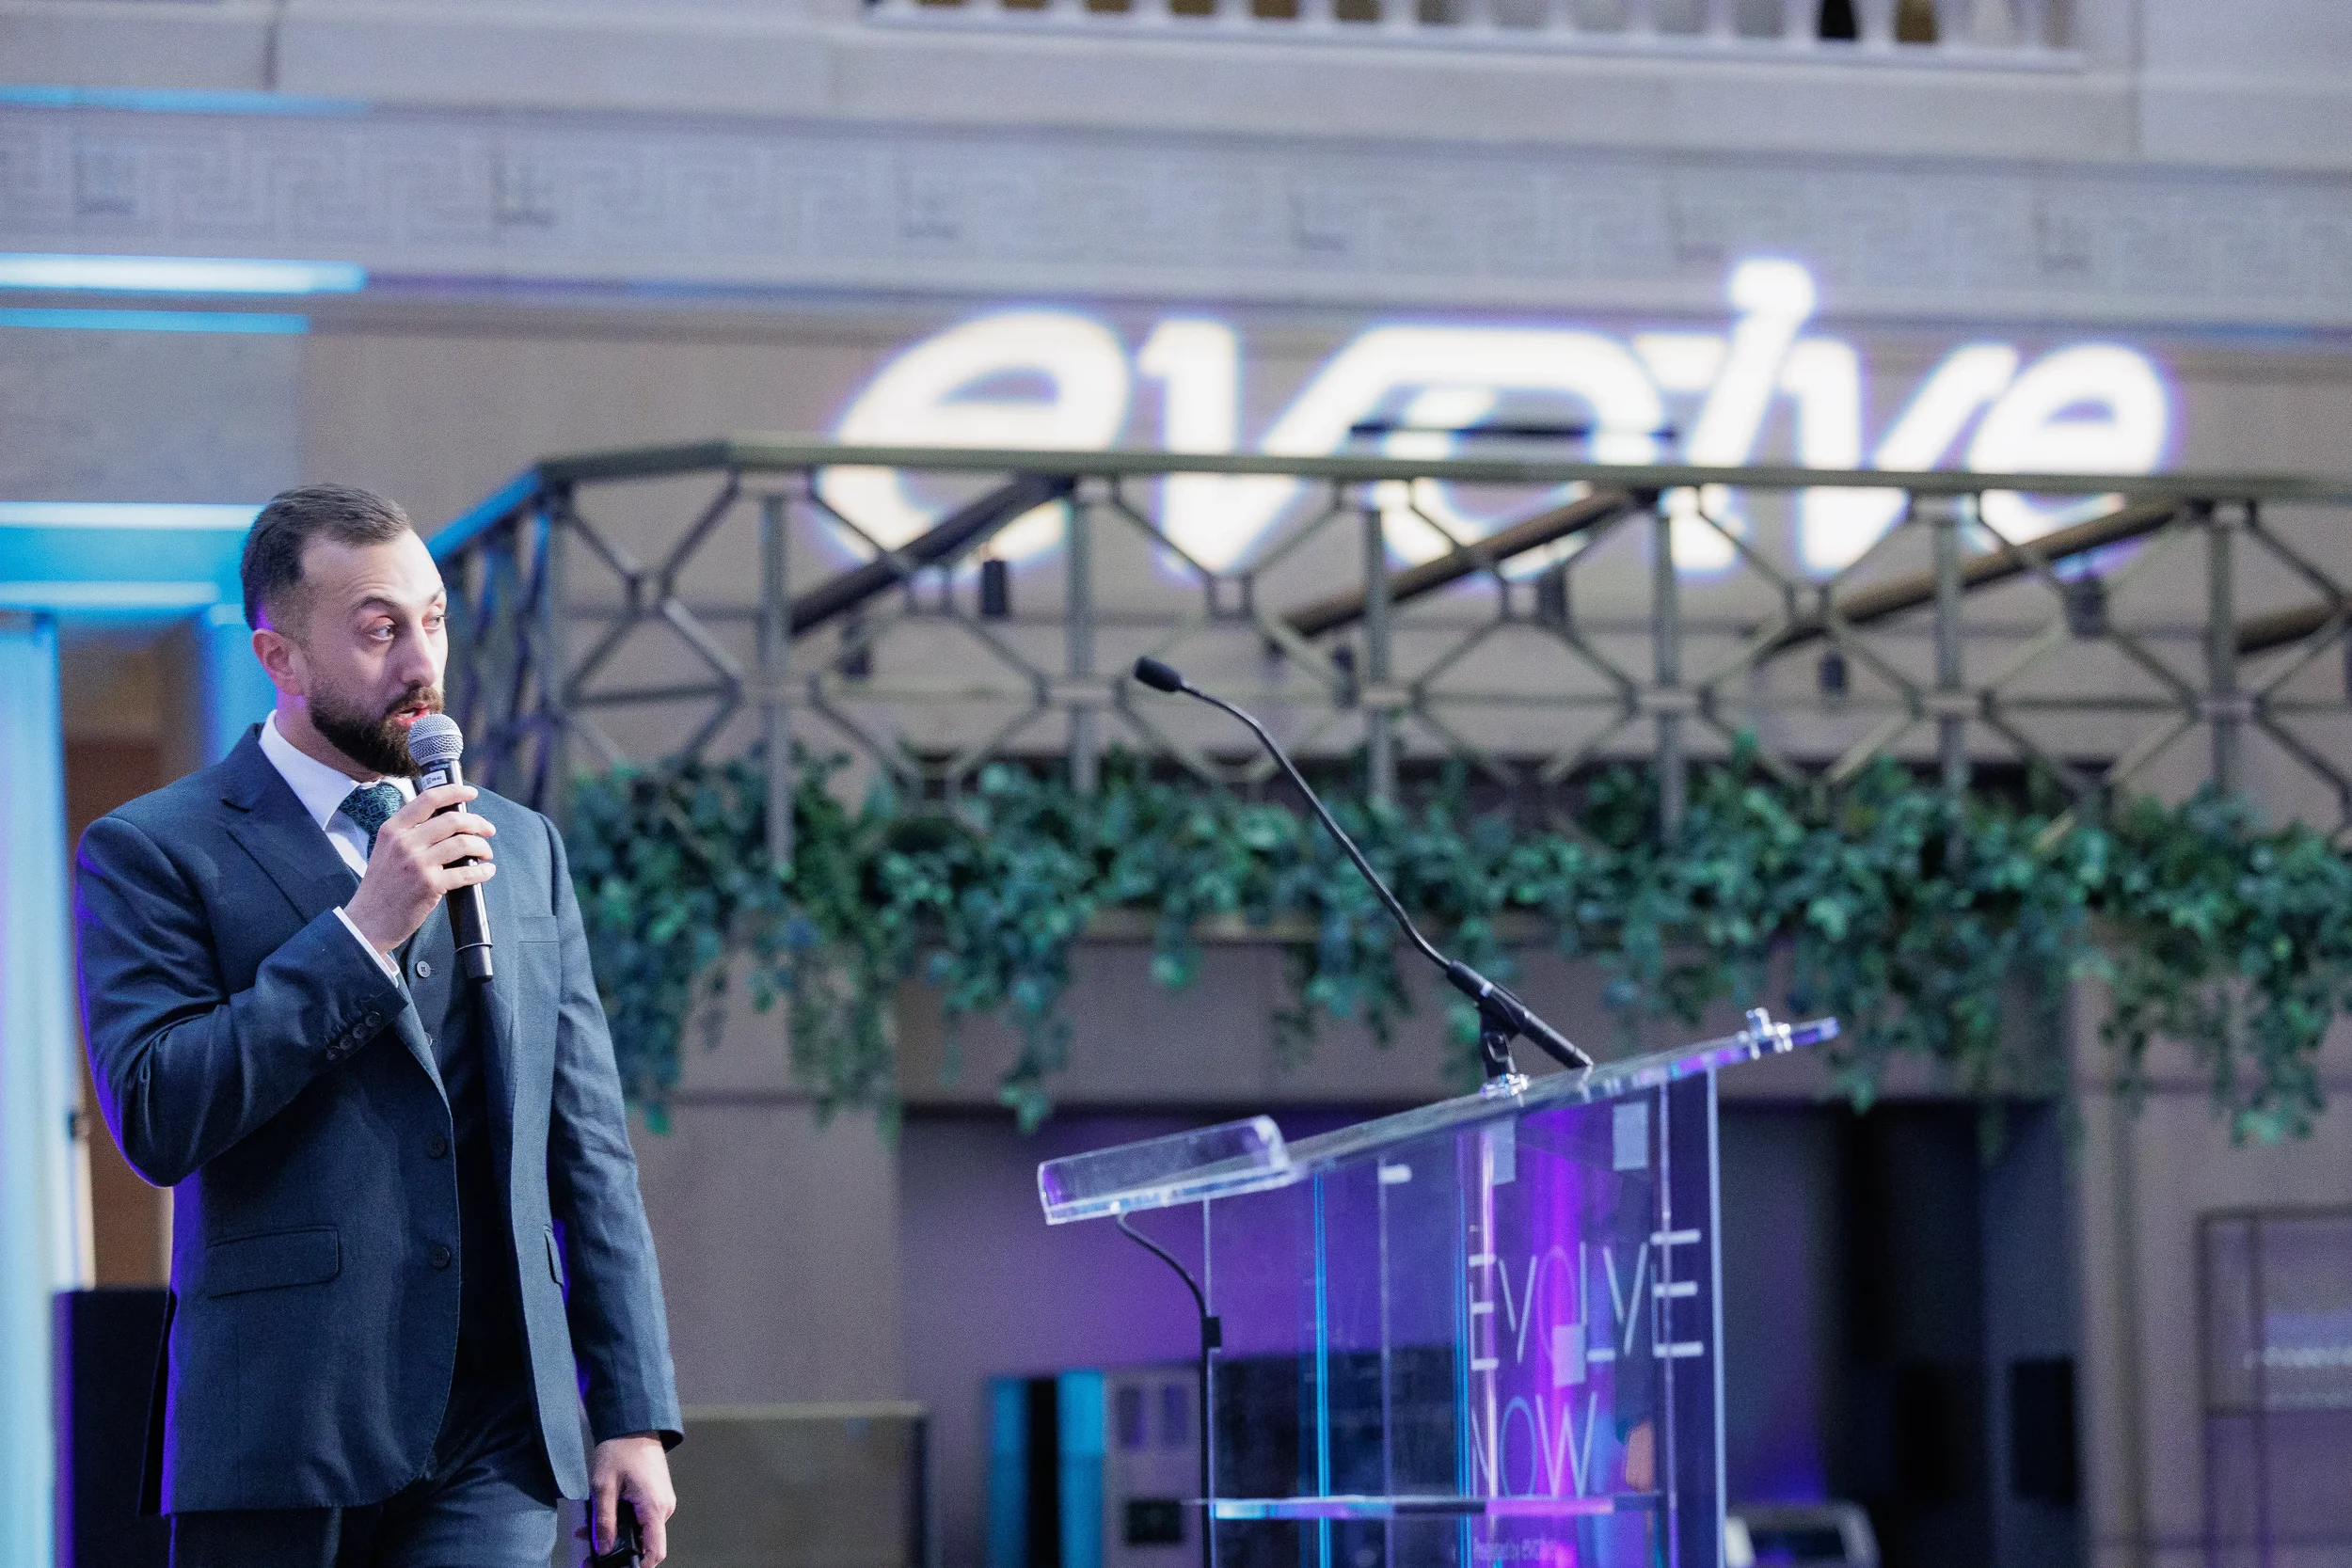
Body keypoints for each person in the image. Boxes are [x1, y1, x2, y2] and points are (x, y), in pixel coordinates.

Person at [74, 483, 682, 1567]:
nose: (421, 661)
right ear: (281, 655)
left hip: (495, 1423)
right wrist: (360, 934)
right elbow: (160, 1111)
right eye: (378, 629)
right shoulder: (155, 849)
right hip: (282, 1419)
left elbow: (585, 1140)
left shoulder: (521, 844)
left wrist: (630, 1406)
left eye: (433, 618)